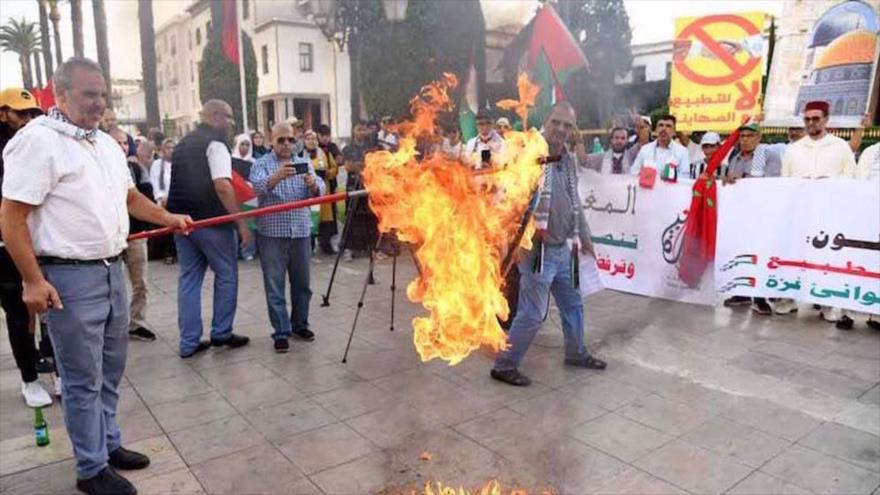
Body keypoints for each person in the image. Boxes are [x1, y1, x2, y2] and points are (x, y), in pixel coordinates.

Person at [1, 57, 193, 495]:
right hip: (68, 278)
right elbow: (11, 218)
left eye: (102, 94)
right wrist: (33, 280)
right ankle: (90, 469)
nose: (99, 103)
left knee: (110, 369)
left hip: (111, 270)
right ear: (61, 93)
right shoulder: (38, 142)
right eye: (89, 94)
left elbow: (128, 198)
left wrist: (167, 215)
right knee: (81, 377)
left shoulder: (105, 144)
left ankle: (108, 445)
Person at [491, 101, 607, 387]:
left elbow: (573, 200)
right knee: (532, 314)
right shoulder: (528, 154)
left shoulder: (567, 159)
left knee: (573, 303)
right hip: (537, 251)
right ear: (546, 121)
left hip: (563, 248)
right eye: (556, 122)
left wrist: (586, 237)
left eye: (567, 125)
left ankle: (576, 353)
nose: (560, 129)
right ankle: (504, 365)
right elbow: (507, 199)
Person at [167, 99, 252, 358]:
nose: (230, 124)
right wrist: (241, 223)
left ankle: (189, 341)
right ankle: (221, 332)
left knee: (189, 279)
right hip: (212, 222)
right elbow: (223, 186)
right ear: (216, 117)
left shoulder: (182, 143)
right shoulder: (215, 144)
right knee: (227, 274)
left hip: (182, 221)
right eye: (228, 118)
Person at [777, 100, 857, 326]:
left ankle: (827, 302)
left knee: (826, 257)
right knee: (796, 253)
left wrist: (828, 183)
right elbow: (785, 181)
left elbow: (852, 178)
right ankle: (788, 297)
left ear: (826, 120)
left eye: (816, 119)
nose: (811, 123)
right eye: (807, 119)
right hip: (801, 212)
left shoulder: (840, 147)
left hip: (830, 213)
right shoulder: (794, 149)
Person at [0, 87, 54, 408]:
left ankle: (56, 366)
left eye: (32, 112)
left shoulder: (37, 141)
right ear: (3, 113)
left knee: (51, 308)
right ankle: (29, 378)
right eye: (21, 113)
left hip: (39, 238)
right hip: (5, 243)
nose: (27, 119)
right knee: (19, 313)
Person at [250, 122, 325, 353]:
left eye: (290, 140)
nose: (286, 144)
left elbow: (321, 189)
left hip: (301, 232)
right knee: (274, 284)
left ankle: (299, 324)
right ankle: (281, 332)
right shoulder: (261, 164)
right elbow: (257, 189)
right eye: (281, 140)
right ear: (272, 141)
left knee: (302, 284)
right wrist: (277, 177)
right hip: (272, 234)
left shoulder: (303, 163)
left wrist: (314, 185)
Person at [110, 128, 159, 342]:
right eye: (117, 143)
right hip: (110, 236)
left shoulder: (136, 169)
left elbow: (146, 198)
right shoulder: (98, 170)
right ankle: (113, 326)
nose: (121, 147)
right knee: (112, 285)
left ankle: (136, 322)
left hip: (136, 234)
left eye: (124, 143)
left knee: (140, 282)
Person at [341, 120, 378, 261]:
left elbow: (375, 164)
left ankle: (370, 248)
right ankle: (348, 248)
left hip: (368, 186)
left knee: (370, 217)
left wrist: (361, 165)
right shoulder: (348, 148)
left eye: (364, 129)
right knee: (352, 216)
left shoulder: (371, 147)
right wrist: (362, 166)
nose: (362, 132)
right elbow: (349, 166)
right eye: (359, 129)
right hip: (353, 186)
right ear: (353, 131)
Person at [303, 129, 338, 254]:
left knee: (326, 220)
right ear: (304, 141)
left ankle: (326, 244)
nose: (311, 141)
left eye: (313, 138)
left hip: (324, 190)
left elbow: (334, 168)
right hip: (309, 193)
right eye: (308, 139)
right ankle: (309, 246)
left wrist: (328, 173)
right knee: (311, 219)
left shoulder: (324, 153)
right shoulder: (301, 155)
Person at [232, 133, 258, 261]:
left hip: (249, 198)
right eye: (242, 144)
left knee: (249, 224)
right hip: (234, 197)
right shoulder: (230, 161)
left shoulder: (253, 162)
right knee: (235, 223)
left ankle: (248, 250)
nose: (245, 147)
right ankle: (235, 251)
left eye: (248, 144)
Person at [150, 138, 177, 264]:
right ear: (162, 150)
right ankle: (169, 253)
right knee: (168, 228)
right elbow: (156, 183)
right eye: (168, 148)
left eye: (173, 148)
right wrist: (160, 198)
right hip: (165, 200)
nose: (171, 150)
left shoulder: (178, 163)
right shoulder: (157, 165)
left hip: (177, 198)